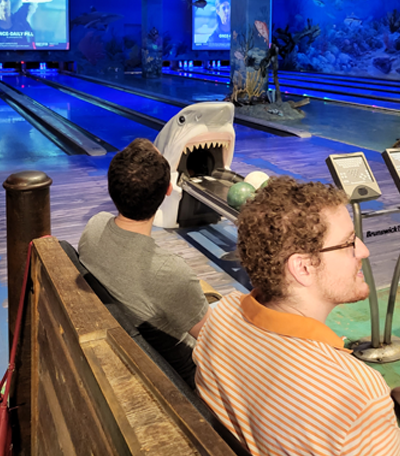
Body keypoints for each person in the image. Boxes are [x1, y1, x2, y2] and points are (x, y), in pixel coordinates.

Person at [194, 176, 400, 455]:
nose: (363, 250)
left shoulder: (222, 316)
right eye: (348, 243)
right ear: (302, 268)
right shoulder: (360, 395)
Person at [78, 138, 209, 387]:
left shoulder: (94, 227)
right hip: (188, 377)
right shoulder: (169, 272)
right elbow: (214, 339)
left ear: (111, 188)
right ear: (167, 190)